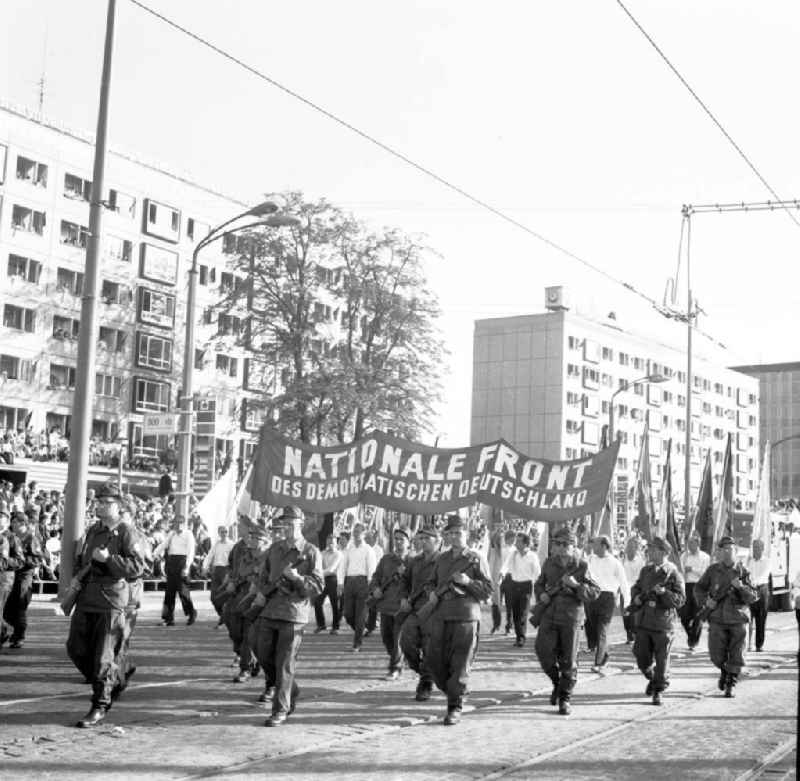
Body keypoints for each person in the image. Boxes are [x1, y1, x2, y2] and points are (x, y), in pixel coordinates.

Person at [66, 481, 144, 727]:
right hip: (87, 598)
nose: (99, 505)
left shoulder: (128, 532)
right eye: (98, 501)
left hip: (111, 600)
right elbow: (82, 560)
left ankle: (100, 704)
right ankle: (118, 676)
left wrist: (111, 559)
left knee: (103, 657)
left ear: (119, 506)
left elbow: (137, 568)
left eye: (105, 502)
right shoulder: (93, 531)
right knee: (76, 648)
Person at [251, 506, 323, 727]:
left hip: (293, 614)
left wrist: (297, 579)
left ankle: (280, 709)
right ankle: (291, 689)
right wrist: (265, 592)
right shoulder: (275, 549)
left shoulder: (311, 552)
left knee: (284, 663)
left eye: (292, 523)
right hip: (270, 610)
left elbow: (318, 586)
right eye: (286, 523)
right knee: (262, 653)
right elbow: (263, 577)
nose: (289, 527)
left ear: (301, 524)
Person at [424, 514, 492, 726]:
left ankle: (455, 706)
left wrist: (469, 581)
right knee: (435, 662)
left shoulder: (476, 558)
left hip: (466, 617)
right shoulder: (442, 559)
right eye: (451, 533)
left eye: (458, 533)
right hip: (441, 616)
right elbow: (430, 583)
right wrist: (431, 594)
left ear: (466, 534)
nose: (455, 536)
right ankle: (456, 691)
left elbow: (487, 592)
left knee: (460, 663)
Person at [533, 527, 601, 715]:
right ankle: (557, 682)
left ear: (574, 546)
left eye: (565, 544)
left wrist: (576, 585)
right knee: (542, 650)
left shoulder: (582, 566)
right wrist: (541, 595)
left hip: (571, 617)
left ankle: (565, 698)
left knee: (569, 660)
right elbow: (539, 584)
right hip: (549, 615)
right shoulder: (549, 563)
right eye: (557, 543)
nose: (561, 547)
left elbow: (595, 592)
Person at [694, 536, 758, 698]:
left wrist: (741, 587)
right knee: (716, 655)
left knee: (737, 654)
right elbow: (699, 588)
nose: (727, 552)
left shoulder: (743, 572)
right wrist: (706, 601)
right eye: (724, 549)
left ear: (735, 552)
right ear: (719, 552)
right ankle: (724, 670)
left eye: (730, 549)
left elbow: (753, 597)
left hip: (738, 619)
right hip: (717, 619)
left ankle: (731, 683)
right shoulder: (713, 570)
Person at [629, 536, 685, 705]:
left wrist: (664, 594)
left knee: (662, 660)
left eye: (653, 549)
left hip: (663, 623)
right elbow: (636, 588)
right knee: (640, 655)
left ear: (663, 552)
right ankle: (652, 678)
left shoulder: (673, 573)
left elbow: (681, 600)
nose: (649, 552)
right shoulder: (646, 571)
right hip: (645, 621)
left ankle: (658, 690)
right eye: (649, 549)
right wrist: (637, 598)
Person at [400, 526, 440, 701]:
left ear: (437, 541)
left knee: (429, 646)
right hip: (416, 609)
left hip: (435, 610)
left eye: (427, 539)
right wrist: (403, 598)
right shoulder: (414, 562)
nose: (423, 542)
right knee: (406, 642)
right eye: (421, 539)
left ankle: (426, 682)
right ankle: (425, 671)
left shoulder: (443, 561)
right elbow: (405, 582)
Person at [369, 528, 411, 679]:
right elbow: (376, 577)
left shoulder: (413, 561)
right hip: (386, 605)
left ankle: (395, 668)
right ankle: (399, 658)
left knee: (397, 638)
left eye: (402, 539)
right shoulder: (386, 559)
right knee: (387, 638)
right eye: (396, 538)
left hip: (402, 607)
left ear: (408, 542)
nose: (398, 541)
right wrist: (375, 589)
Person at [585, 534, 630, 671]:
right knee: (592, 627)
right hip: (592, 596)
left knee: (602, 630)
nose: (593, 547)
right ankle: (604, 655)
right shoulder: (590, 559)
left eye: (596, 544)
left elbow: (624, 583)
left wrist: (627, 603)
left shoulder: (615, 563)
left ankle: (598, 663)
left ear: (604, 546)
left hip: (607, 598)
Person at [2, 513, 46, 648]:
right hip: (9, 574)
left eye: (15, 522)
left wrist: (23, 560)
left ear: (22, 523)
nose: (12, 524)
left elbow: (38, 559)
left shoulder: (31, 538)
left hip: (24, 575)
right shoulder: (10, 537)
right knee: (7, 607)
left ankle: (19, 635)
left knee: (19, 605)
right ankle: (9, 631)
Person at [338, 523, 377, 652]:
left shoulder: (368, 550)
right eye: (354, 532)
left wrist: (371, 586)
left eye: (358, 532)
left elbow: (372, 568)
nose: (355, 534)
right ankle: (361, 629)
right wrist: (340, 583)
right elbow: (343, 566)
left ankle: (357, 643)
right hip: (349, 582)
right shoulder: (349, 549)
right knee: (347, 613)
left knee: (360, 614)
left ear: (364, 534)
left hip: (363, 582)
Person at [499, 532, 541, 647]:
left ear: (525, 543)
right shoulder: (513, 554)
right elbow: (505, 565)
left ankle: (521, 637)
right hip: (513, 585)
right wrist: (502, 573)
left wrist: (538, 586)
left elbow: (537, 572)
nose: (516, 543)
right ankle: (518, 636)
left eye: (518, 541)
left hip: (526, 586)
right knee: (516, 613)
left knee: (523, 612)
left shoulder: (533, 556)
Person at [155, 515, 197, 626]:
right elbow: (163, 545)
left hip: (182, 562)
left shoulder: (188, 534)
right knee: (169, 592)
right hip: (172, 562)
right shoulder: (172, 534)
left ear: (183, 523)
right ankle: (168, 618)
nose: (177, 525)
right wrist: (154, 554)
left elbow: (191, 551)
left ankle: (192, 613)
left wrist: (187, 567)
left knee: (183, 592)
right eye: (176, 523)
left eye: (179, 523)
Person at [679, 533, 711, 651]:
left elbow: (706, 574)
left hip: (699, 587)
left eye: (692, 543)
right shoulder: (684, 556)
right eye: (688, 544)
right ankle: (691, 635)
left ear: (698, 544)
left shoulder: (705, 557)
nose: (689, 546)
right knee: (684, 616)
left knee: (698, 615)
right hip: (686, 586)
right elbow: (680, 571)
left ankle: (693, 641)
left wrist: (692, 569)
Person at [203, 526, 235, 626]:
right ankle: (223, 616)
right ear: (219, 533)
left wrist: (231, 573)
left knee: (225, 596)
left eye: (226, 531)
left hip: (226, 570)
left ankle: (226, 618)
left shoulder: (232, 545)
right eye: (222, 532)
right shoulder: (216, 544)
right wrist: (205, 567)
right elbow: (209, 556)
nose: (224, 533)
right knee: (213, 597)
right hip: (216, 570)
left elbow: (234, 560)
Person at [0, 509, 22, 645]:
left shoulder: (12, 538)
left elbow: (19, 561)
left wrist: (4, 562)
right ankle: (3, 632)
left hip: (4, 579)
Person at [313, 534, 342, 635]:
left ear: (336, 543)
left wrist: (318, 572)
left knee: (334, 604)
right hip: (323, 579)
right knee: (317, 601)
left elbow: (331, 569)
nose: (330, 544)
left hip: (334, 579)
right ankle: (321, 625)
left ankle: (335, 627)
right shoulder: (322, 553)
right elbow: (317, 565)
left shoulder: (338, 554)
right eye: (328, 542)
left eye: (332, 542)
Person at [746, 538, 771, 652]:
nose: (755, 550)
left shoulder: (767, 561)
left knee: (761, 619)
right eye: (754, 547)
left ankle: (759, 645)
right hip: (750, 590)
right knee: (748, 618)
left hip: (761, 590)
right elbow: (747, 573)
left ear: (762, 549)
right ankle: (747, 644)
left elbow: (764, 574)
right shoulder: (750, 561)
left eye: (757, 547)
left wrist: (754, 582)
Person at [621, 536, 646, 643]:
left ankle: (635, 633)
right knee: (625, 613)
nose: (630, 548)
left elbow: (643, 577)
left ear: (636, 548)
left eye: (632, 546)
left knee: (635, 613)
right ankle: (629, 634)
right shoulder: (622, 560)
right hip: (624, 589)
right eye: (628, 546)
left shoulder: (641, 561)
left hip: (636, 590)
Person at [364, 529, 384, 636]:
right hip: (364, 578)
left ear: (373, 538)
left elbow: (378, 566)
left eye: (368, 538)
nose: (366, 540)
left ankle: (371, 626)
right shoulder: (364, 549)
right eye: (365, 538)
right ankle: (368, 624)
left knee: (372, 603)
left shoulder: (378, 550)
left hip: (375, 579)